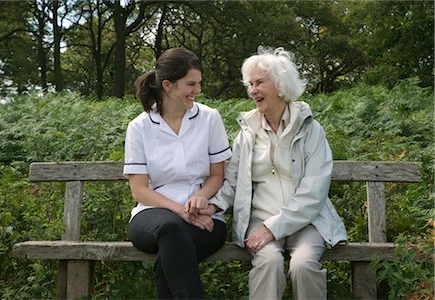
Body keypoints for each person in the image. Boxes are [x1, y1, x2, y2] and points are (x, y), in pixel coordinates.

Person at [208, 47, 347, 300]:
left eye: (259, 82)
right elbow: (232, 182)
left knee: (303, 265)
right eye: (250, 84)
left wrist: (274, 228)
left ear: (281, 85)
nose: (253, 90)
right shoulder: (247, 132)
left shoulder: (311, 130)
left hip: (307, 222)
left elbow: (314, 193)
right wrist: (213, 206)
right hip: (260, 219)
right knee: (269, 263)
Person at [124, 47, 232, 299]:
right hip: (152, 217)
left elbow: (218, 175)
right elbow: (139, 190)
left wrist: (201, 197)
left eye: (199, 83)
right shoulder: (139, 127)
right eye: (190, 84)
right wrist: (180, 210)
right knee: (171, 230)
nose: (197, 90)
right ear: (167, 85)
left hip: (204, 217)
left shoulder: (209, 118)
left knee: (170, 254)